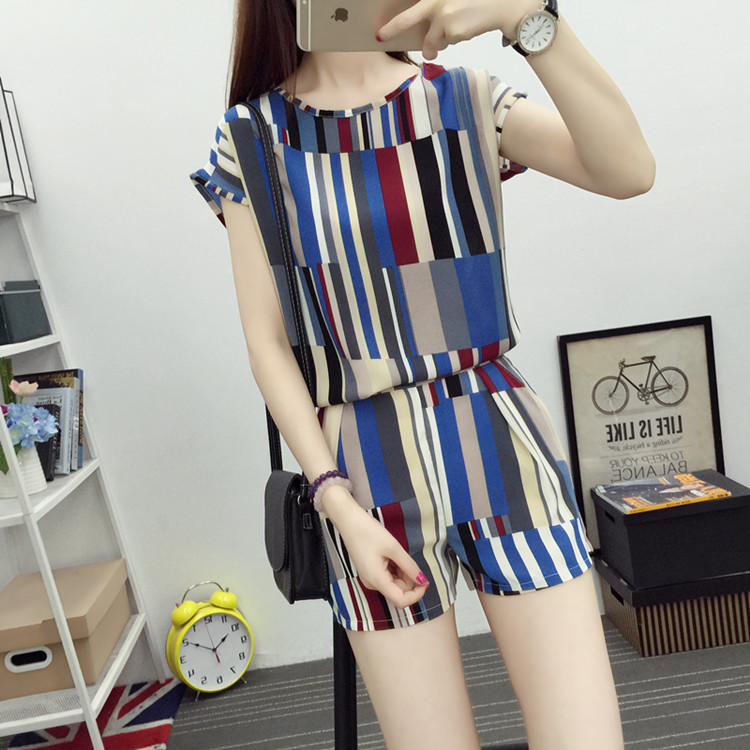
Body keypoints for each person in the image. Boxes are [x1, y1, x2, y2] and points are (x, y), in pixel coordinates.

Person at [191, 1, 655, 748]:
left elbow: (629, 171)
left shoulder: (464, 97)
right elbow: (267, 341)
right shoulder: (252, 136)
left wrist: (528, 19)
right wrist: (335, 502)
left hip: (497, 433)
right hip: (361, 470)